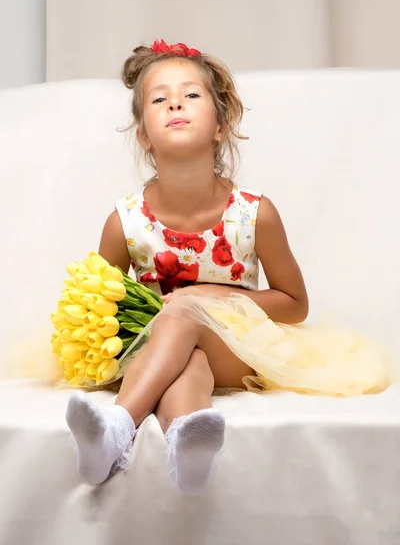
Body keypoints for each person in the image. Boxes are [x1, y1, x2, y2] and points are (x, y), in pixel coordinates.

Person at [65, 39, 392, 493]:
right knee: (188, 357)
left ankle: (118, 427)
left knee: (184, 317)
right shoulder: (125, 222)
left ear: (220, 125)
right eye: (159, 99)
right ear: (143, 135)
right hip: (163, 354)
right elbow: (100, 304)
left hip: (238, 352)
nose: (175, 102)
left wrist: (204, 297)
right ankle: (188, 442)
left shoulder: (254, 212)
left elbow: (295, 304)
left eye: (191, 95)